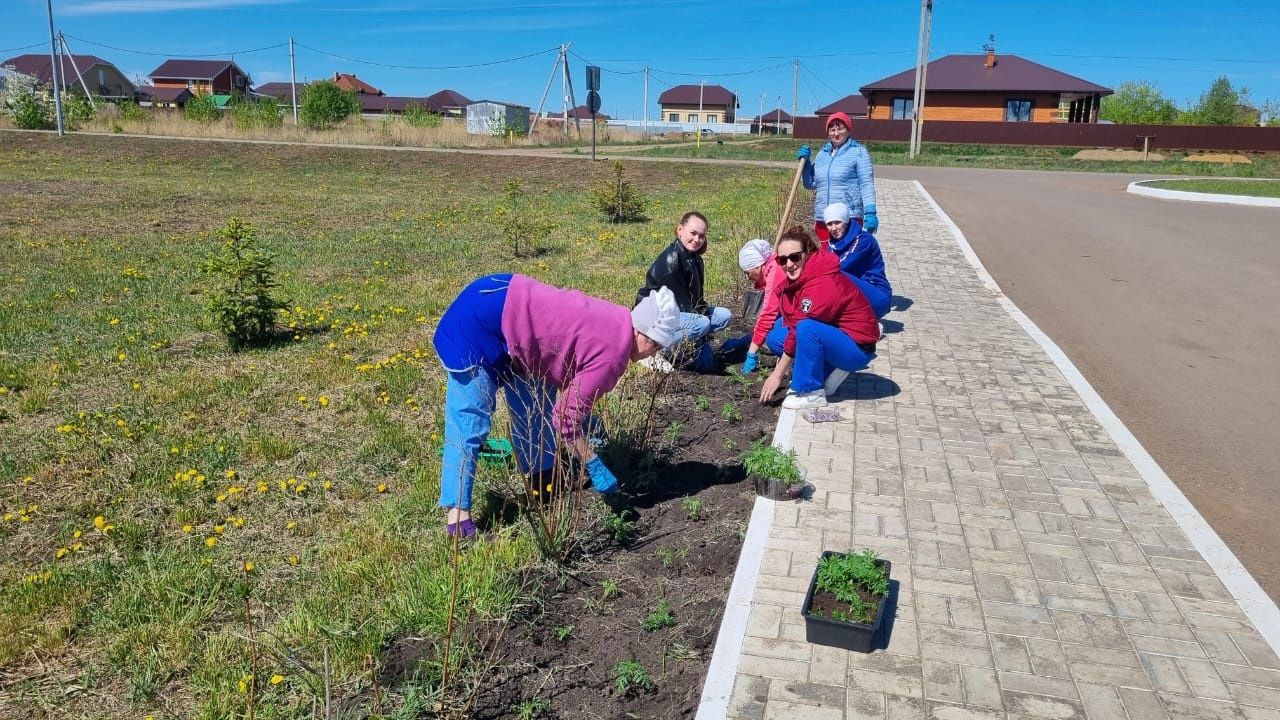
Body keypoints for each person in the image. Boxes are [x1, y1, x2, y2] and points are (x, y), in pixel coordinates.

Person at [434, 274, 681, 537]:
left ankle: (542, 487)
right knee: (470, 422)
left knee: (535, 407)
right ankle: (458, 520)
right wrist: (593, 463)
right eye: (654, 344)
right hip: (477, 321)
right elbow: (565, 418)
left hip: (510, 310)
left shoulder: (619, 320)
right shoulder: (613, 358)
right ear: (639, 329)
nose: (653, 353)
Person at [758, 226, 879, 410]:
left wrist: (777, 374)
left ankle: (811, 391)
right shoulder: (805, 276)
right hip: (837, 336)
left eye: (794, 257)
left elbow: (800, 326)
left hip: (857, 348)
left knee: (806, 328)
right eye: (783, 260)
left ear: (807, 253)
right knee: (775, 338)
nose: (789, 264)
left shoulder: (821, 282)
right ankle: (827, 370)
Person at [635, 211, 732, 371]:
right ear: (680, 230)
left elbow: (696, 298)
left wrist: (702, 335)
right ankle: (653, 349)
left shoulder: (693, 258)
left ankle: (684, 347)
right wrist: (701, 329)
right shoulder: (671, 263)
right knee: (702, 323)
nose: (697, 240)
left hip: (683, 310)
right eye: (693, 233)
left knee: (723, 316)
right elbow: (677, 306)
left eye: (701, 236)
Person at [797, 112, 878, 244]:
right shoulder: (822, 155)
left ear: (848, 130)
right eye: (832, 129)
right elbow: (810, 183)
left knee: (847, 260)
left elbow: (866, 184)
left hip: (848, 217)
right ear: (827, 132)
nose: (836, 133)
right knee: (827, 261)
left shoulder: (859, 152)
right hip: (824, 218)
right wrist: (806, 165)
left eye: (840, 128)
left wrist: (870, 212)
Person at [822, 202, 892, 320]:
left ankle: (868, 325)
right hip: (855, 297)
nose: (834, 228)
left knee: (834, 274)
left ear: (846, 221)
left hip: (876, 294)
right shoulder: (832, 245)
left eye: (838, 222)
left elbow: (841, 265)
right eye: (829, 224)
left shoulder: (863, 240)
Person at [736, 238, 788, 374]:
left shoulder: (776, 273)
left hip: (809, 317)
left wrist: (751, 353)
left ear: (758, 266)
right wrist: (749, 339)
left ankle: (797, 365)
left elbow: (768, 315)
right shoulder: (774, 265)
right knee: (777, 325)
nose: (747, 277)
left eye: (747, 272)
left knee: (774, 339)